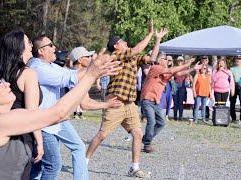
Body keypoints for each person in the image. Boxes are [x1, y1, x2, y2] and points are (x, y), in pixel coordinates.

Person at [0, 47, 119, 179]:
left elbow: (63, 114)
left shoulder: (13, 115)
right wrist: (90, 75)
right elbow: (58, 113)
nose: (7, 84)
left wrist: (91, 76)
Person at [29, 36, 120, 180]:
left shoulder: (53, 67)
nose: (55, 48)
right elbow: (84, 102)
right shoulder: (38, 67)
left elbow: (72, 79)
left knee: (41, 164)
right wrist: (96, 71)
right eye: (51, 45)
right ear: (41, 50)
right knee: (52, 166)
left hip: (56, 120)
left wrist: (97, 70)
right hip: (45, 123)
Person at [86, 21, 159, 178]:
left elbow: (152, 58)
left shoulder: (133, 57)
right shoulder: (117, 55)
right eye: (121, 41)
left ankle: (134, 167)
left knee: (138, 133)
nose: (125, 42)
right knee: (102, 135)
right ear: (116, 46)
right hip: (116, 102)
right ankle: (83, 161)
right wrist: (150, 34)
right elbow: (137, 49)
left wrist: (157, 39)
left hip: (129, 104)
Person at [0, 29, 43, 178]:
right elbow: (32, 113)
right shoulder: (27, 74)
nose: (31, 45)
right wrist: (40, 142)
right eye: (28, 42)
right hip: (21, 137)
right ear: (19, 47)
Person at [141, 52, 201, 153]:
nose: (168, 61)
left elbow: (179, 73)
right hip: (147, 99)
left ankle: (146, 138)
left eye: (169, 60)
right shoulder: (156, 68)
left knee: (161, 122)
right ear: (160, 60)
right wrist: (187, 63)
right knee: (151, 122)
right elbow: (172, 70)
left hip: (155, 101)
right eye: (166, 59)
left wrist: (193, 68)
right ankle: (147, 144)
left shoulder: (166, 71)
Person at [173, 56, 189, 121]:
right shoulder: (174, 68)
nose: (180, 62)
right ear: (177, 61)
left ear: (183, 62)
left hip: (182, 87)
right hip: (175, 86)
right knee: (175, 102)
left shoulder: (185, 68)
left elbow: (188, 76)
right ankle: (175, 117)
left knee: (181, 102)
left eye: (181, 61)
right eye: (179, 61)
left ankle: (180, 117)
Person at [229, 55, 241, 122]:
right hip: (233, 86)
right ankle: (233, 119)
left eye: (239, 58)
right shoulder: (231, 69)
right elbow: (229, 78)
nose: (238, 60)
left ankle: (240, 119)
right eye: (237, 58)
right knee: (232, 103)